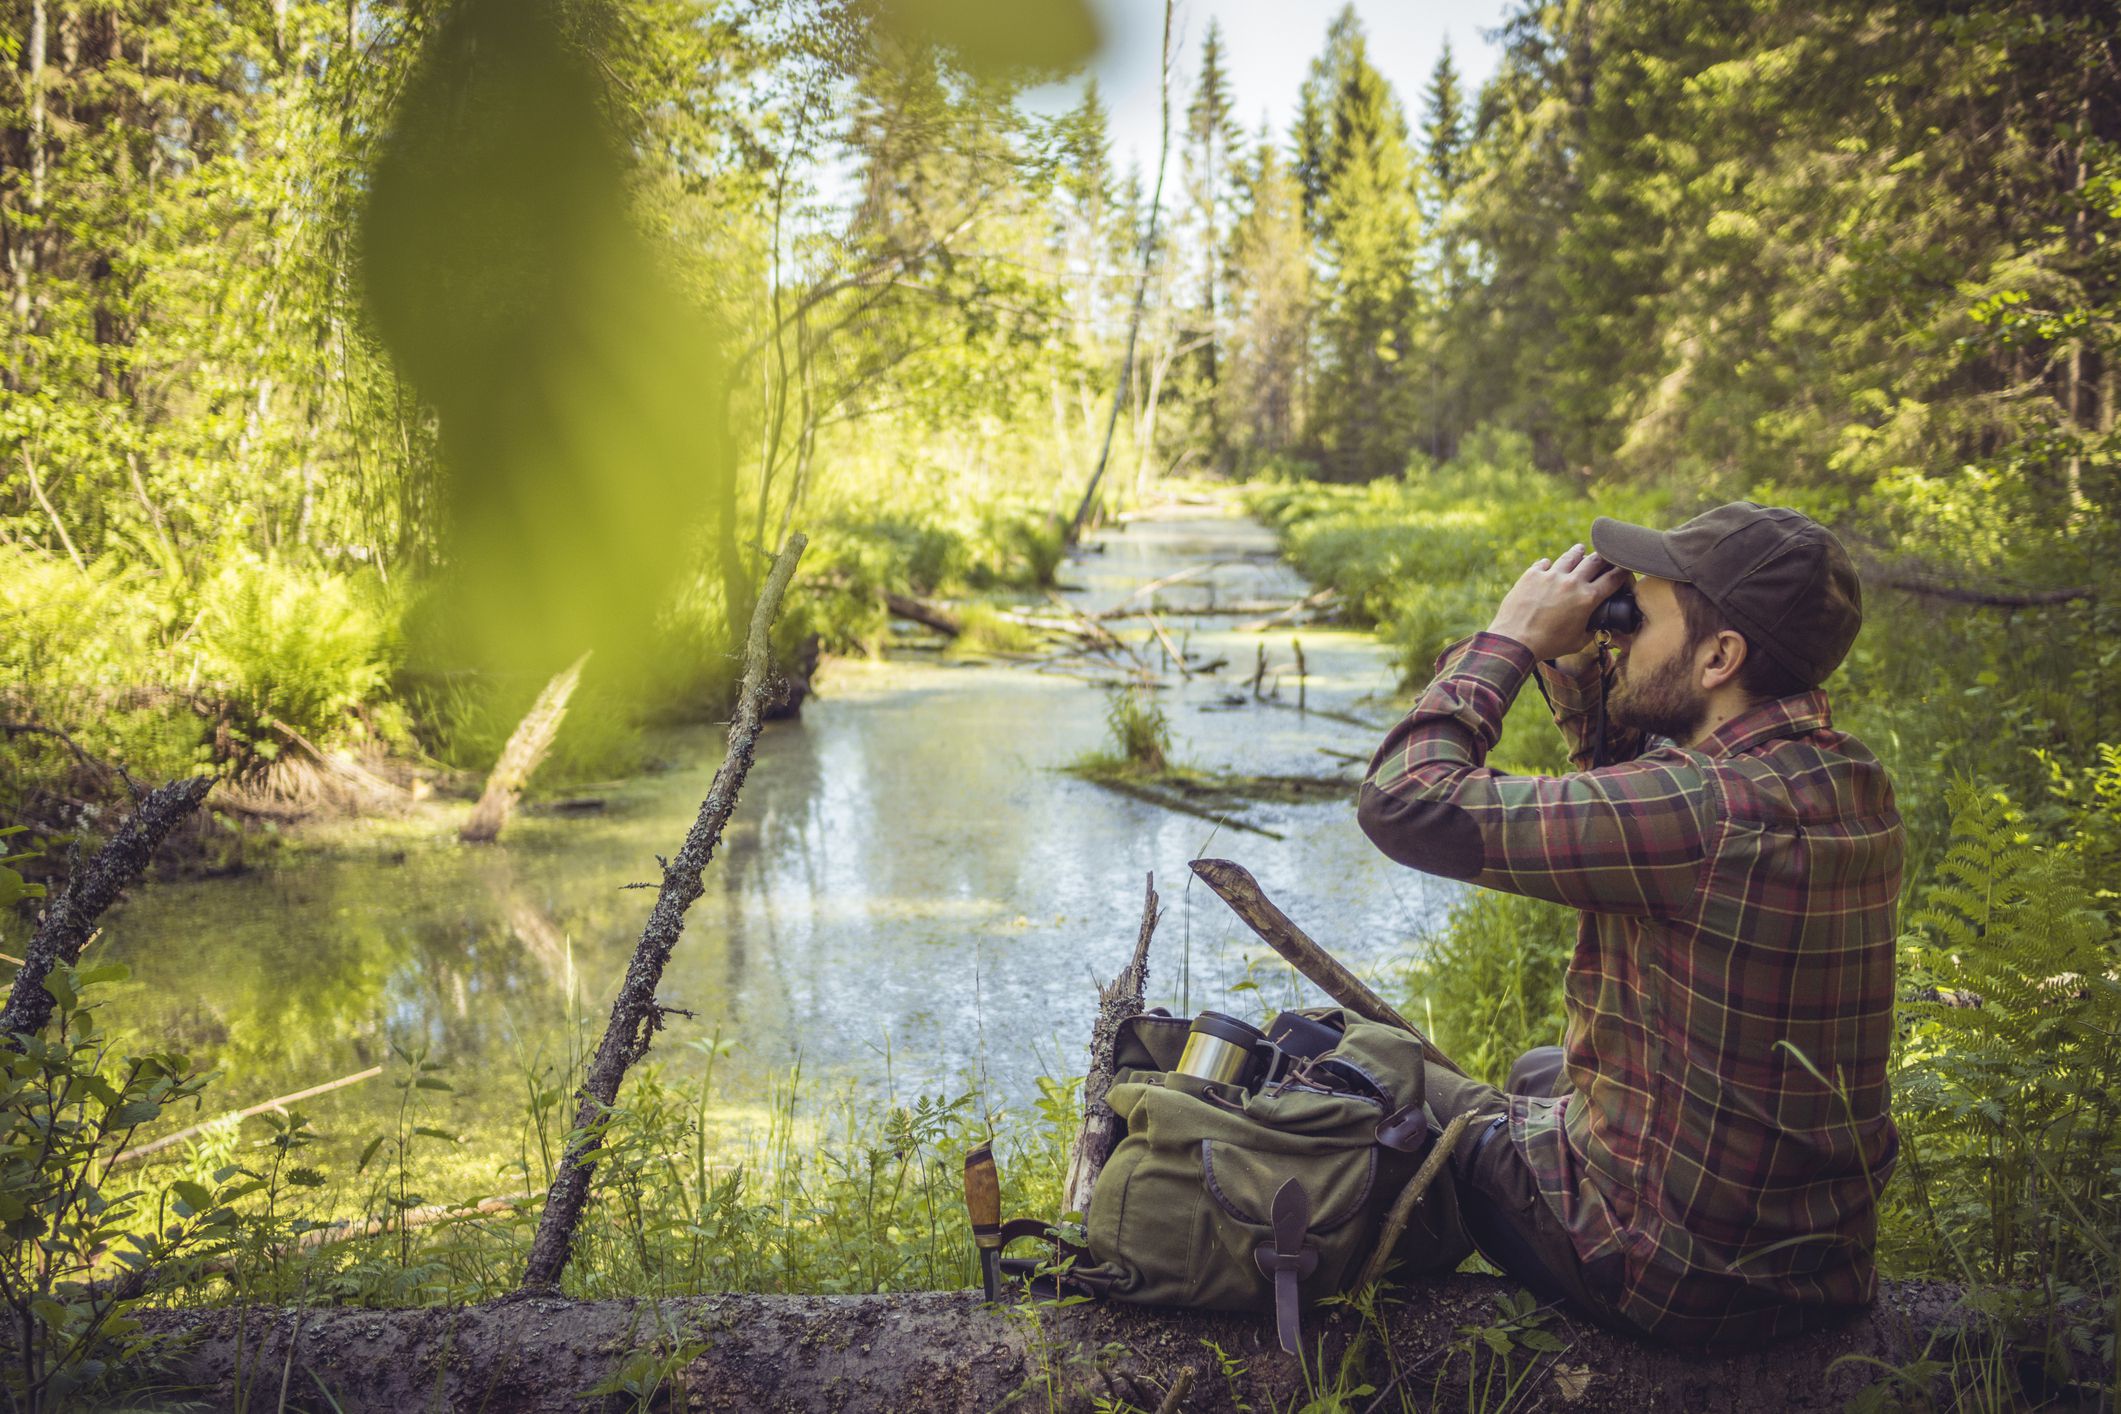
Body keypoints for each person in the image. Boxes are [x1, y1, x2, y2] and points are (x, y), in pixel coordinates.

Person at [1356, 502, 1903, 1348]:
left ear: (1720, 656)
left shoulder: (1700, 812)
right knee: (1542, 1069)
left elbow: (1404, 802)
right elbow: (1645, 805)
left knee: (1357, 1060)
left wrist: (1508, 642)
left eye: (1638, 618)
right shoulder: (1841, 776)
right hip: (1812, 1264)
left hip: (1667, 1277)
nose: (1618, 632)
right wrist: (1585, 670)